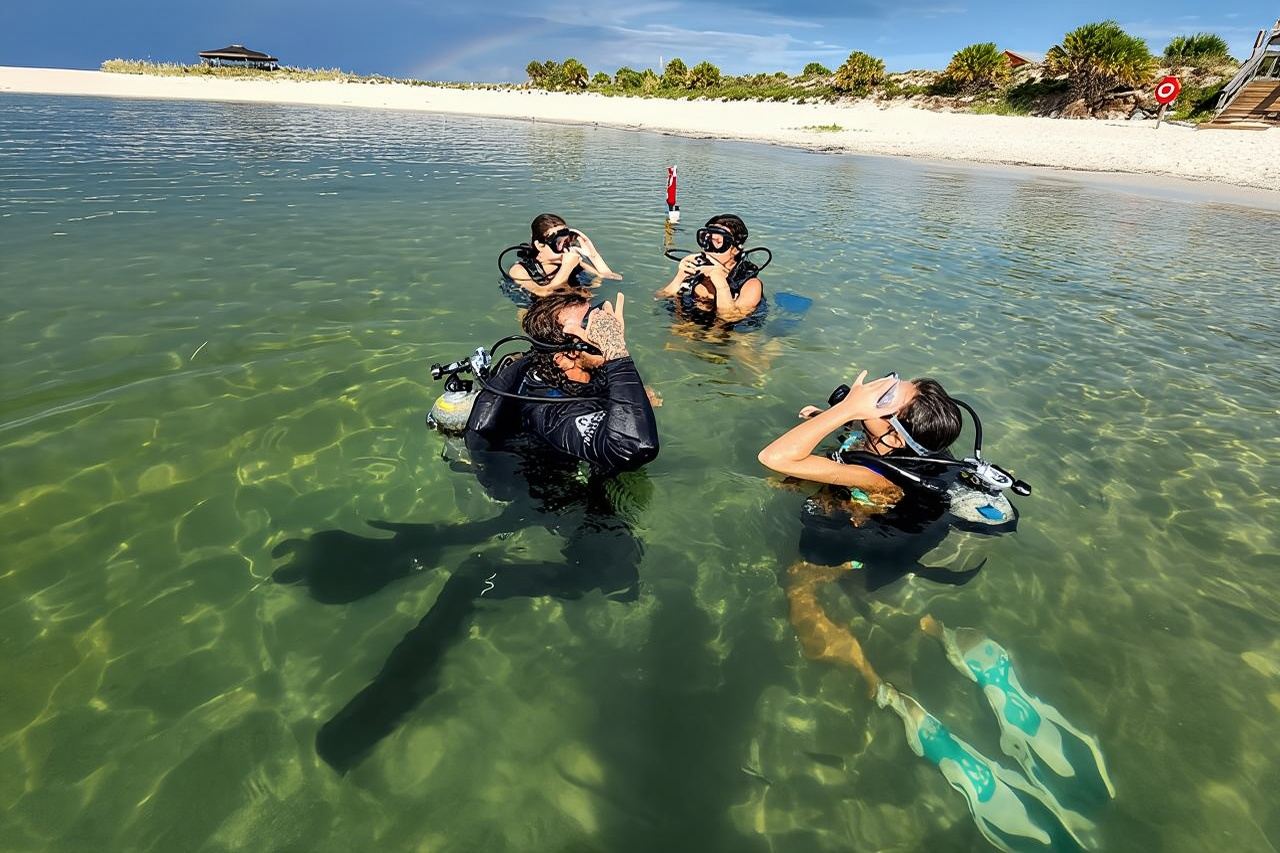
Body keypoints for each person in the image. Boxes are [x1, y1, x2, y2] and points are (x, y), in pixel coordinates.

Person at [273, 292, 658, 772]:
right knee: (608, 571)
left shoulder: (561, 368)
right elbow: (632, 445)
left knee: (551, 527)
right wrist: (620, 355)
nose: (603, 322)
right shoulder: (551, 405)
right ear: (564, 352)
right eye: (590, 321)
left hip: (529, 474)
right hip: (543, 490)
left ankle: (420, 546)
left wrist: (616, 369)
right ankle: (473, 584)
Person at [655, 213, 764, 326]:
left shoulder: (750, 284)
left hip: (728, 336)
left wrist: (721, 284)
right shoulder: (697, 270)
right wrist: (680, 276)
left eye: (718, 242)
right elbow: (659, 297)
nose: (709, 249)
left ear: (735, 249)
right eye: (707, 240)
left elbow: (729, 318)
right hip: (691, 326)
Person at [504, 213, 622, 302]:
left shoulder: (573, 264)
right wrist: (566, 267)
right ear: (539, 245)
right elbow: (543, 292)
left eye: (567, 242)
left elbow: (612, 278)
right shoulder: (520, 270)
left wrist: (593, 255)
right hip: (538, 315)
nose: (565, 248)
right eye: (558, 243)